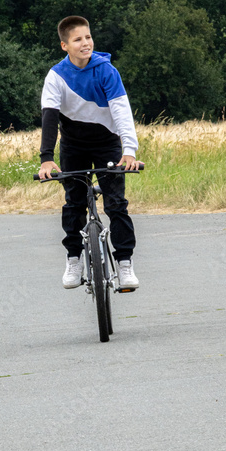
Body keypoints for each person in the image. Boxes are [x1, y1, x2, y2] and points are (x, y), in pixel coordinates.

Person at [38, 15, 141, 290]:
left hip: (107, 143)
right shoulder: (56, 76)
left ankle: (124, 264)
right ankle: (74, 259)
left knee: (116, 203)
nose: (86, 43)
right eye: (78, 39)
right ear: (64, 45)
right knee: (73, 203)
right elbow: (49, 118)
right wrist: (46, 158)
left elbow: (121, 111)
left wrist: (128, 152)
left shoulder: (106, 70)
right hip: (73, 145)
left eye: (88, 37)